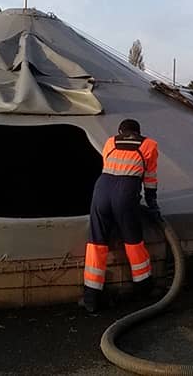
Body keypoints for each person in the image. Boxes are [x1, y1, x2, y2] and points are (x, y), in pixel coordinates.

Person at [81, 118, 161, 312]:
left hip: (101, 190)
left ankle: (91, 298)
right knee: (133, 242)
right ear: (138, 131)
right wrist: (152, 206)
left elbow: (108, 167)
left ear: (121, 131)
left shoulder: (110, 141)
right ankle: (143, 288)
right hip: (125, 193)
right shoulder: (149, 145)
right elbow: (149, 180)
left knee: (96, 243)